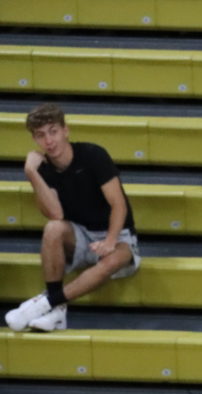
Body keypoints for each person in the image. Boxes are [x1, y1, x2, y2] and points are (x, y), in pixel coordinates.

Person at [6, 104, 140, 333]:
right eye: (41, 135)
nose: (49, 141)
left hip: (118, 236)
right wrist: (31, 173)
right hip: (80, 235)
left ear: (65, 131)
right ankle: (57, 313)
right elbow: (55, 214)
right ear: (34, 140)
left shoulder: (93, 154)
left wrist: (109, 240)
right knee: (53, 228)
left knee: (114, 258)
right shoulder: (44, 169)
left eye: (53, 131)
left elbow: (118, 204)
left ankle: (48, 302)